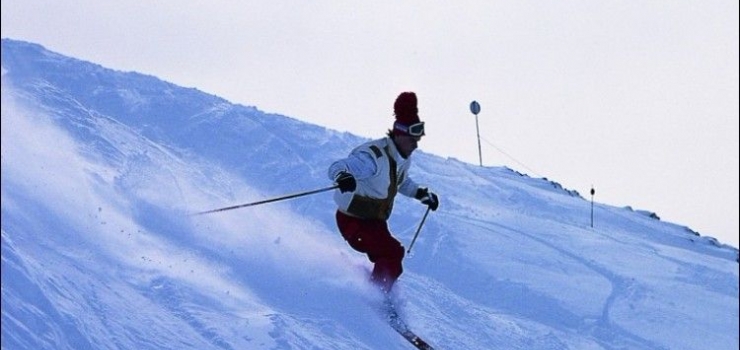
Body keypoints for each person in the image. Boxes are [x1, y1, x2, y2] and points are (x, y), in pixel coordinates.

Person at [327, 91, 439, 293]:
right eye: (413, 139)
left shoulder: (402, 158)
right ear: (400, 134)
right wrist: (343, 177)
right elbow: (338, 166)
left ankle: (378, 290)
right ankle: (376, 294)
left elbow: (401, 183)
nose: (416, 144)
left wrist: (422, 194)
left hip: (374, 223)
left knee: (393, 253)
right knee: (392, 252)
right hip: (353, 221)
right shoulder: (373, 158)